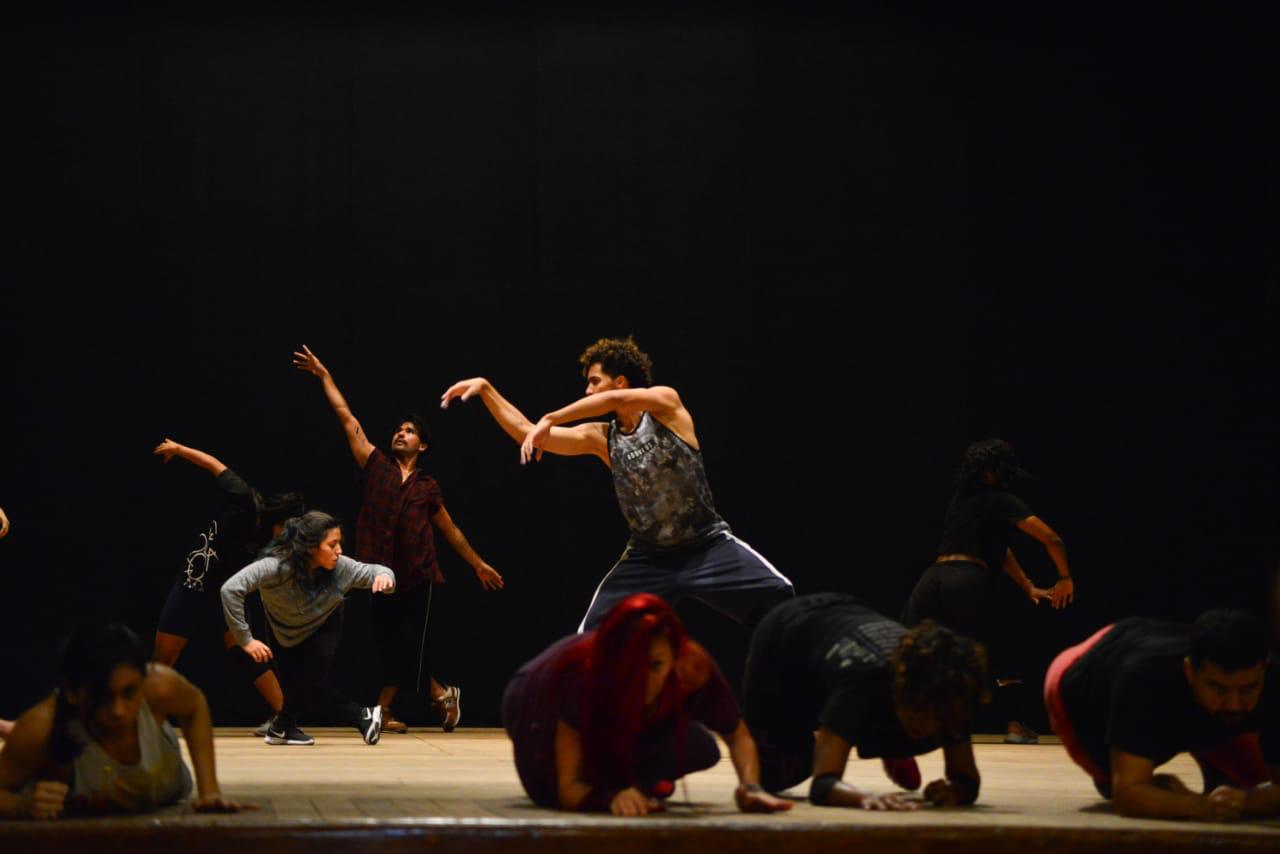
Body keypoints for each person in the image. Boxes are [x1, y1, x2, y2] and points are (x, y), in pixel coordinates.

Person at [441, 336, 794, 633]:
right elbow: (526, 432)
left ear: (621, 380)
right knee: (590, 640)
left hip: (705, 545)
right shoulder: (602, 437)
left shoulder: (666, 405)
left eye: (594, 380)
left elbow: (613, 402)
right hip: (648, 558)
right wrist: (487, 390)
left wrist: (550, 417)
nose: (588, 389)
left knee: (779, 595)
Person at [295, 345, 503, 734]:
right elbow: (346, 417)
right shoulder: (376, 465)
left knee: (413, 649)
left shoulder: (428, 486)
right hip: (380, 576)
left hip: (420, 576)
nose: (400, 434)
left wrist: (477, 563)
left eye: (408, 432)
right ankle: (437, 696)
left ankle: (392, 706)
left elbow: (450, 530)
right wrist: (325, 376)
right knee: (389, 647)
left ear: (422, 445)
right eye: (398, 430)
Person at [503, 593, 791, 816]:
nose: (645, 681)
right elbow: (569, 789)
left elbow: (737, 735)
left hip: (623, 717)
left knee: (699, 748)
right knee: (548, 788)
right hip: (534, 693)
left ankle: (635, 780)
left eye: (656, 665)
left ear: (673, 657)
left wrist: (751, 787)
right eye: (633, 666)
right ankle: (622, 780)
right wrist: (609, 798)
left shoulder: (690, 667)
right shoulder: (583, 674)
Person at [743, 593, 988, 810]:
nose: (930, 728)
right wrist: (861, 796)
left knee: (915, 731)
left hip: (848, 621)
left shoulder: (951, 692)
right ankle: (871, 737)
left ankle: (886, 743)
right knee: (779, 774)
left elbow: (967, 780)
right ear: (902, 692)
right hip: (784, 635)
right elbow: (823, 785)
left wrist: (957, 790)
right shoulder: (862, 681)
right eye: (920, 715)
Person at [902, 438, 1074, 744]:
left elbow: (1001, 551)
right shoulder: (1001, 499)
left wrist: (1029, 585)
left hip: (932, 577)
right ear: (997, 470)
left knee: (907, 644)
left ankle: (892, 718)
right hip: (966, 579)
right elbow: (1053, 539)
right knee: (997, 650)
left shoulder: (961, 497)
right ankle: (1016, 725)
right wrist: (1064, 577)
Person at [1045, 608, 1280, 821]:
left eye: (1248, 689)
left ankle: (1216, 762)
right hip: (1080, 680)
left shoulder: (1272, 680)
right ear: (1190, 671)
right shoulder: (1145, 678)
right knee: (1115, 780)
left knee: (1247, 786)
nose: (1235, 704)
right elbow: (1128, 795)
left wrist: (1246, 801)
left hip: (1154, 646)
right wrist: (1197, 806)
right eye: (1219, 688)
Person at [0, 623, 249, 819]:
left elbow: (195, 705)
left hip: (168, 791)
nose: (118, 711)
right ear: (72, 692)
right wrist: (21, 805)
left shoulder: (159, 685)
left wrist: (210, 791)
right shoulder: (41, 727)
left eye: (130, 693)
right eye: (102, 696)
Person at [151, 438, 304, 735]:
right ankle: (146, 721)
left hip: (228, 594)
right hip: (194, 583)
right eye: (287, 529)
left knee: (247, 651)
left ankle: (285, 720)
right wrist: (179, 450)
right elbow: (213, 464)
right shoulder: (244, 497)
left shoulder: (276, 542)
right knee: (164, 656)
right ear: (279, 519)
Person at [221, 511, 393, 746]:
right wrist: (245, 639)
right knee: (298, 689)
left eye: (339, 543)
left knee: (309, 684)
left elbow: (376, 570)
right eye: (332, 545)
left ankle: (361, 716)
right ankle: (281, 728)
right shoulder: (275, 567)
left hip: (323, 625)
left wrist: (385, 577)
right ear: (311, 547)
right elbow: (231, 589)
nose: (339, 550)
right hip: (282, 630)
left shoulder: (341, 567)